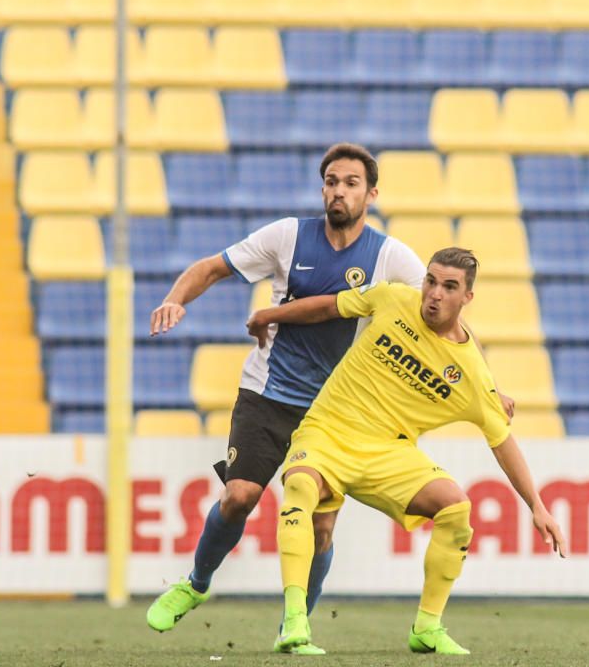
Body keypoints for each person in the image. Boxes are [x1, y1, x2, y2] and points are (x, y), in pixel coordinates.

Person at [146, 143, 442, 655]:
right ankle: (195, 584)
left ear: (371, 193)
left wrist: (486, 383)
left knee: (321, 527)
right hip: (267, 394)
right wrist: (175, 299)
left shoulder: (390, 256)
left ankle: (296, 623)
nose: (338, 190)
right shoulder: (287, 236)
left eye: (351, 182)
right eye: (331, 181)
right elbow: (212, 267)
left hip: (333, 410)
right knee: (239, 497)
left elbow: (442, 315)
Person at [246, 247, 566, 655]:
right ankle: (293, 623)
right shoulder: (393, 298)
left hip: (387, 454)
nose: (434, 293)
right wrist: (267, 315)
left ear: (467, 297)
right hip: (327, 431)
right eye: (431, 280)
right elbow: (329, 307)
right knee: (302, 491)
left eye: (449, 287)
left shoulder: (470, 373)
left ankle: (427, 627)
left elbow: (502, 442)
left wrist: (537, 505)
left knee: (456, 508)